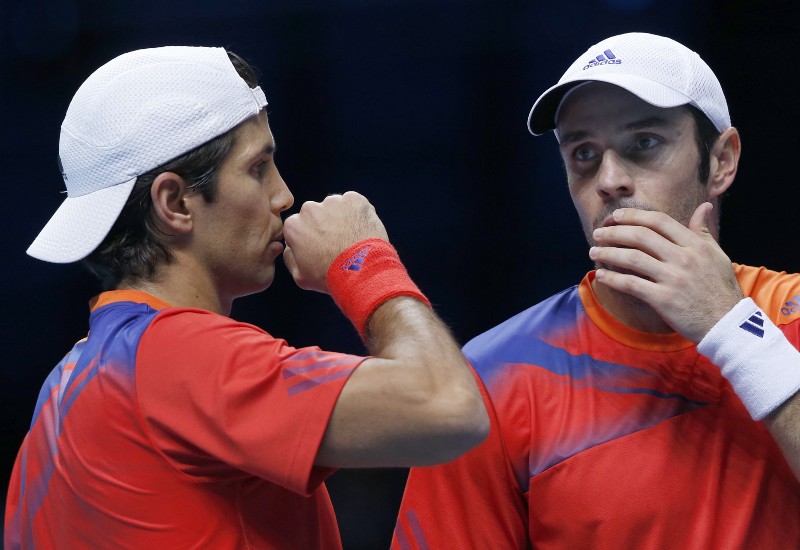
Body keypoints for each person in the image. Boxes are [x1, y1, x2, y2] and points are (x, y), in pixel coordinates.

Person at [4, 46, 489, 549]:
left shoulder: (61, 390)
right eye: (258, 168)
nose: (284, 196)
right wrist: (364, 261)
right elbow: (450, 407)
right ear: (175, 202)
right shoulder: (179, 355)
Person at [392, 32, 800, 549]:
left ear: (721, 161)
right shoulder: (496, 377)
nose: (609, 179)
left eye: (644, 143)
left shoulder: (792, 318)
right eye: (583, 152)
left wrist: (728, 324)